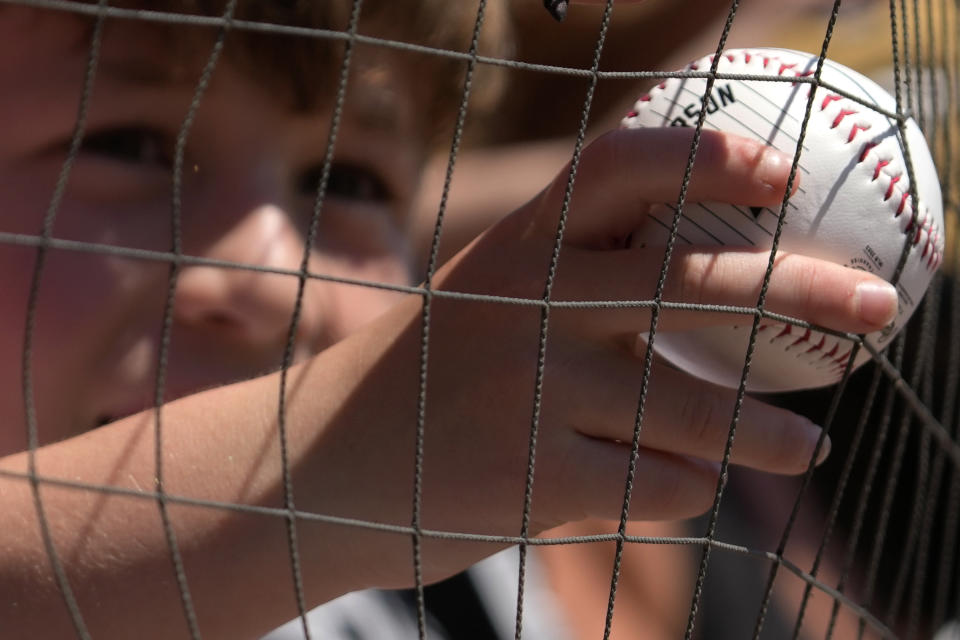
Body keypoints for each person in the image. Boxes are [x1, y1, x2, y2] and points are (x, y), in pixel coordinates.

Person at [0, 1, 905, 638]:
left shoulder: (442, 583)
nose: (272, 277)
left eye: (347, 183)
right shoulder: (370, 505)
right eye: (122, 146)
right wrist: (330, 455)